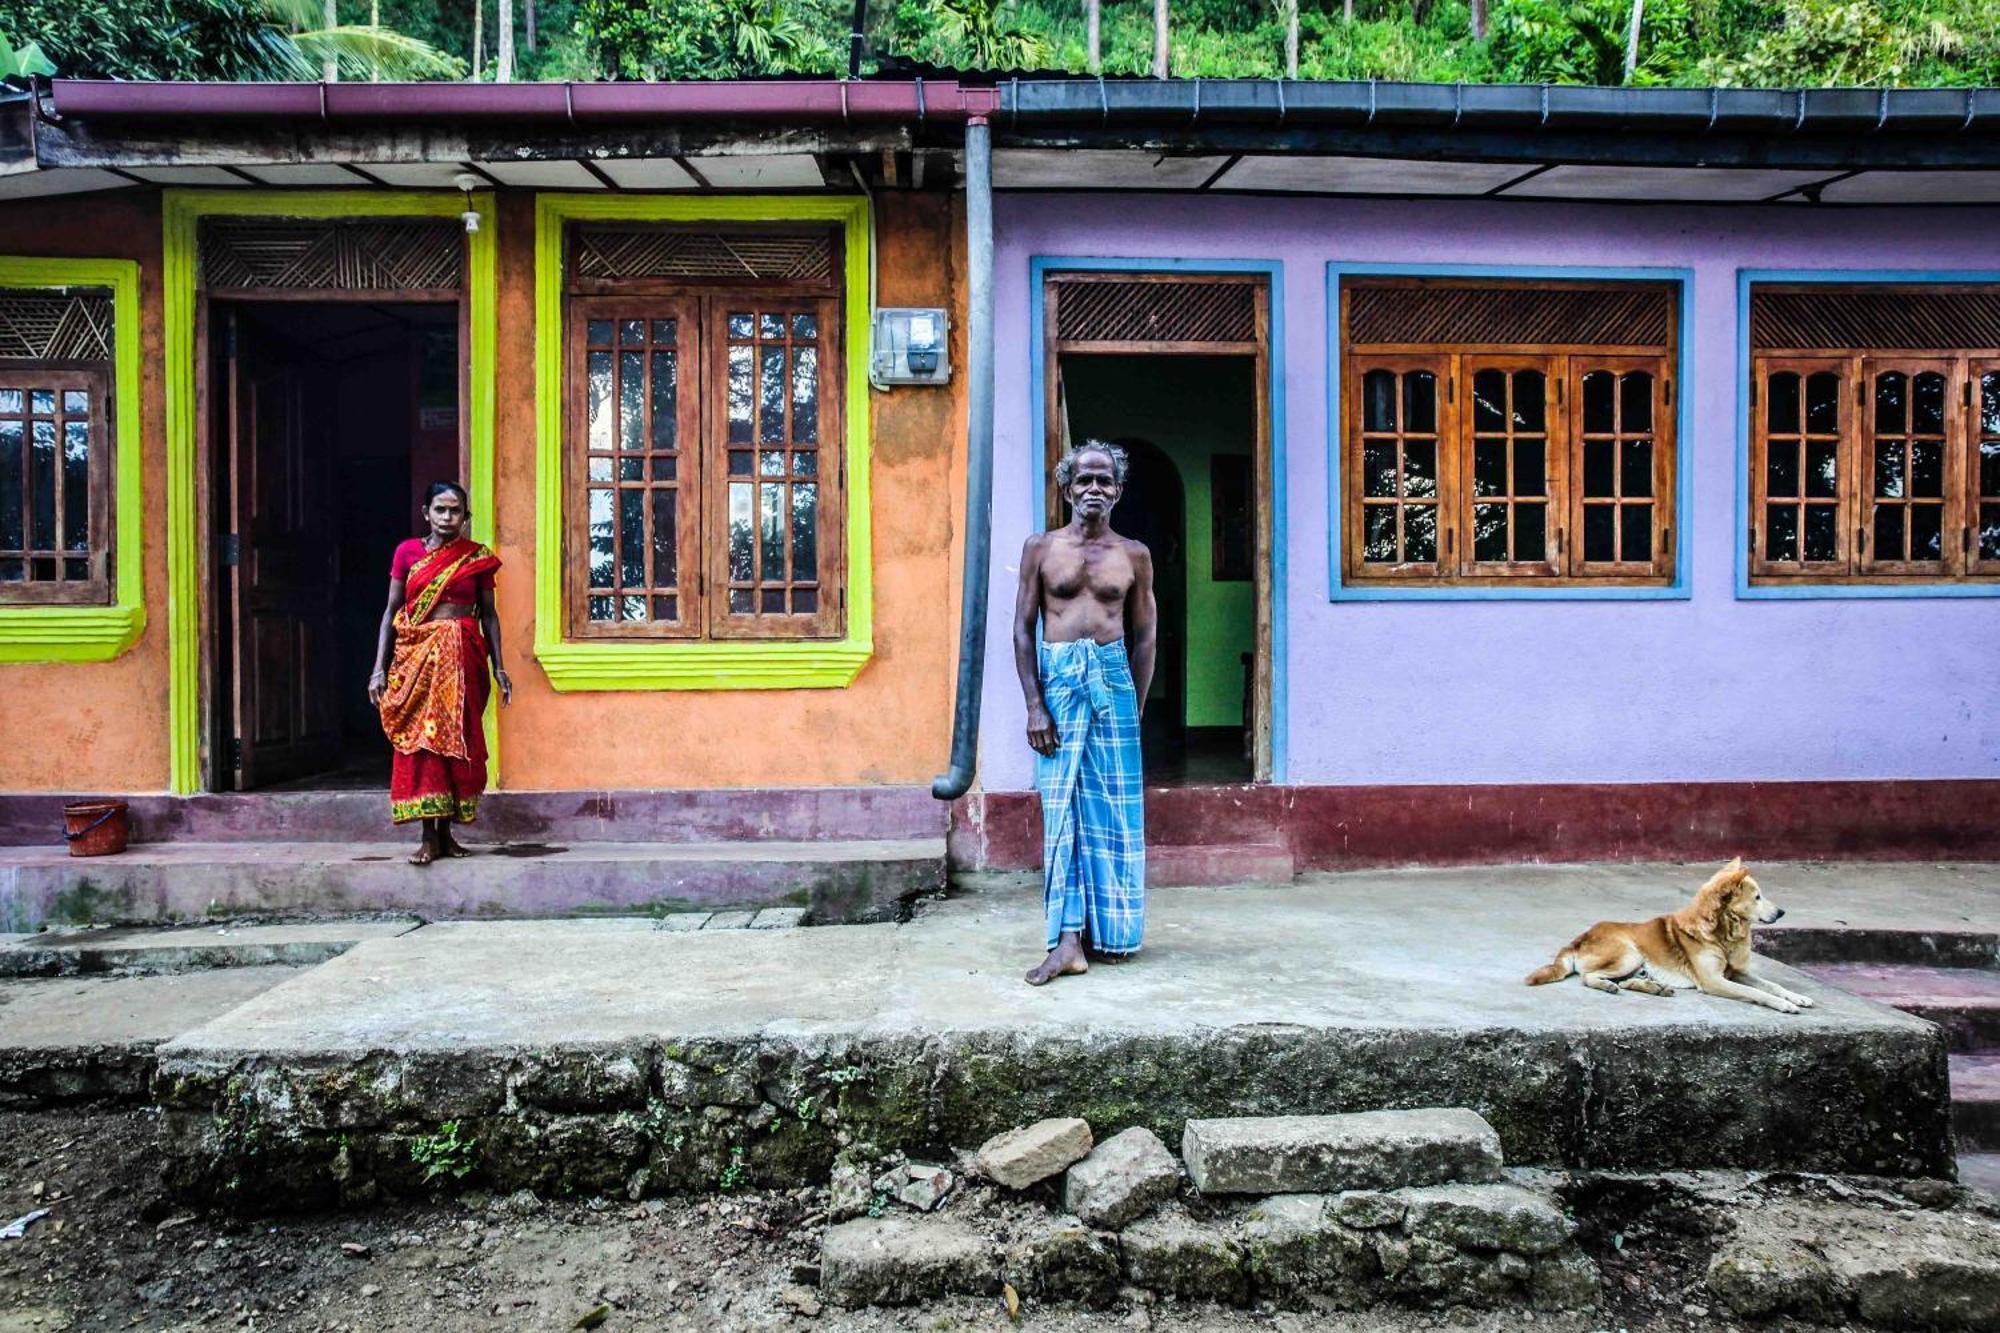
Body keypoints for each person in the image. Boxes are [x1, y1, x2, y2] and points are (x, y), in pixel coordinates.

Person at [1012, 440, 1158, 986]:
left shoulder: (1134, 555)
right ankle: (1066, 940)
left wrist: (1135, 707)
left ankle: (1112, 931)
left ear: (1117, 491)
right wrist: (1034, 705)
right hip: (1058, 687)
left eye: (1104, 481)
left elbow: (1145, 636)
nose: (1093, 489)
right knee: (1062, 812)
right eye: (1083, 480)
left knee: (1114, 813)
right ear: (1066, 488)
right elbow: (1022, 628)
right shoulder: (1041, 549)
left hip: (1113, 685)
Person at [367, 482, 511, 865]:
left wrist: (499, 665)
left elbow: (489, 615)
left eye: (456, 512)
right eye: (441, 510)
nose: (448, 518)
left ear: (466, 516)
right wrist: (377, 669)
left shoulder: (476, 558)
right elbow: (391, 610)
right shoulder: (407, 553)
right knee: (423, 743)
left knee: (456, 744)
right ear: (425, 512)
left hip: (464, 661)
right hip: (415, 659)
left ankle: (448, 835)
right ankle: (428, 837)